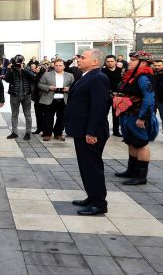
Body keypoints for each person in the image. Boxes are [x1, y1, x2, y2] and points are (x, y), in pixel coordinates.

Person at [65, 49, 112, 216]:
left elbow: (99, 108)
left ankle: (99, 203)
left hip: (91, 132)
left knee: (92, 168)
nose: (78, 59)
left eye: (82, 57)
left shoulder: (99, 78)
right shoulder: (86, 76)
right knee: (86, 167)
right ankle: (92, 197)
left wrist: (91, 132)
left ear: (95, 62)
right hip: (81, 130)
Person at [113, 52, 159, 185]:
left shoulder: (144, 77)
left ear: (143, 63)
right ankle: (131, 170)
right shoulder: (133, 76)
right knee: (131, 142)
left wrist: (143, 118)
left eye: (133, 60)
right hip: (127, 114)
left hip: (137, 116)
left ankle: (141, 176)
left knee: (141, 144)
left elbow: (149, 98)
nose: (129, 62)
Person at [37, 58, 74, 141]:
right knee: (48, 117)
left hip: (64, 99)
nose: (58, 67)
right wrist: (49, 87)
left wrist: (69, 88)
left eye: (60, 65)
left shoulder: (70, 75)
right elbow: (40, 85)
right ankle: (47, 134)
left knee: (62, 117)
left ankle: (58, 133)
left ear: (64, 66)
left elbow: (74, 87)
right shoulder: (47, 74)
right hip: (50, 98)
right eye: (56, 65)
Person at [4, 54, 35, 140]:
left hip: (26, 95)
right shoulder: (12, 70)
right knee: (14, 114)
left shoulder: (27, 68)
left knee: (27, 114)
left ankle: (28, 132)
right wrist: (9, 69)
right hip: (14, 95)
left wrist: (23, 69)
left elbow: (33, 77)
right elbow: (7, 79)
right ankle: (14, 132)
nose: (18, 64)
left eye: (20, 61)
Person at [101, 55, 124, 137]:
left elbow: (123, 83)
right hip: (106, 96)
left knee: (116, 115)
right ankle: (104, 130)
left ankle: (116, 131)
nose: (110, 63)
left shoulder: (120, 71)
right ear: (105, 62)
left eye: (111, 61)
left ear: (115, 62)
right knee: (104, 114)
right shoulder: (102, 71)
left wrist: (119, 93)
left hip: (117, 96)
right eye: (108, 61)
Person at [30, 61, 46, 135]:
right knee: (38, 114)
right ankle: (39, 128)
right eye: (37, 68)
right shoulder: (35, 76)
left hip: (45, 98)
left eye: (39, 68)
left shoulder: (45, 77)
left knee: (45, 114)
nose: (37, 69)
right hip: (37, 98)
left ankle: (45, 129)